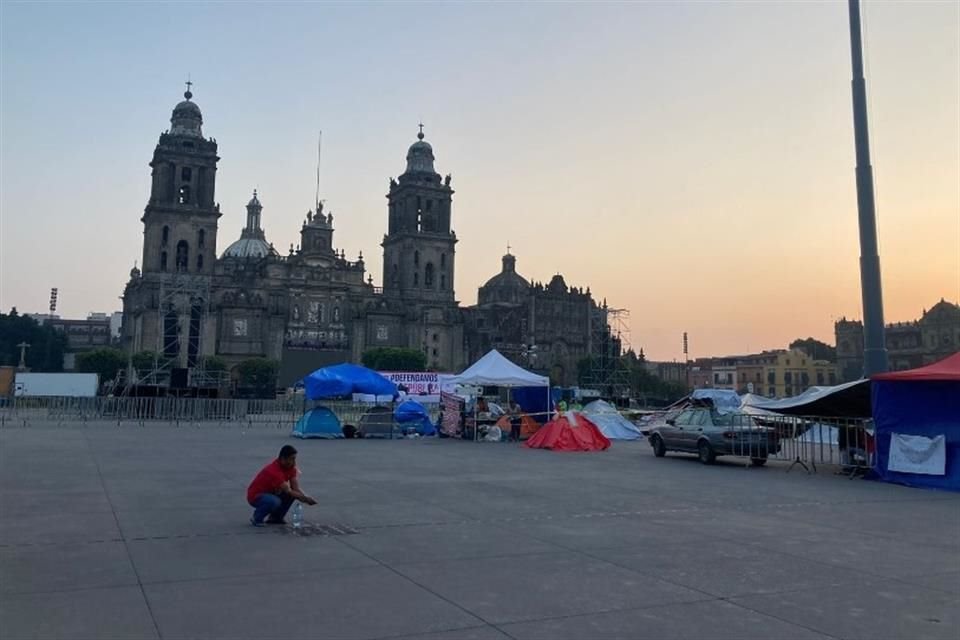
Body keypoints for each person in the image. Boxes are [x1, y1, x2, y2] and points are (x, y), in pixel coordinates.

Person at [246, 445, 317, 527]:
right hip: (256, 496)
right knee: (275, 501)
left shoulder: (291, 468)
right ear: (283, 459)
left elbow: (295, 488)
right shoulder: (274, 471)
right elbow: (289, 490)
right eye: (292, 459)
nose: (294, 462)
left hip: (271, 493)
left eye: (294, 459)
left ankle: (275, 518)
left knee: (291, 495)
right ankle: (257, 518)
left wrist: (306, 496)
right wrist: (305, 499)